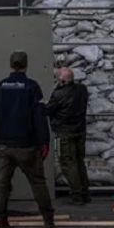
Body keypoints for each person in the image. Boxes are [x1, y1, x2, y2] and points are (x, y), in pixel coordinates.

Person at [0, 50, 55, 228]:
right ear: (26, 65)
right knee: (38, 183)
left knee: (2, 186)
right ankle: (48, 223)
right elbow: (40, 117)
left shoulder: (0, 87)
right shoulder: (32, 87)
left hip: (4, 146)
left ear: (11, 65)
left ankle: (0, 224)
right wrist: (44, 142)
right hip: (27, 146)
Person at [46, 68, 90, 204]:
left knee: (68, 164)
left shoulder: (58, 94)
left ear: (62, 80)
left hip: (64, 133)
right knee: (79, 162)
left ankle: (77, 196)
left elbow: (48, 110)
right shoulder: (82, 89)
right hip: (80, 131)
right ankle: (85, 193)